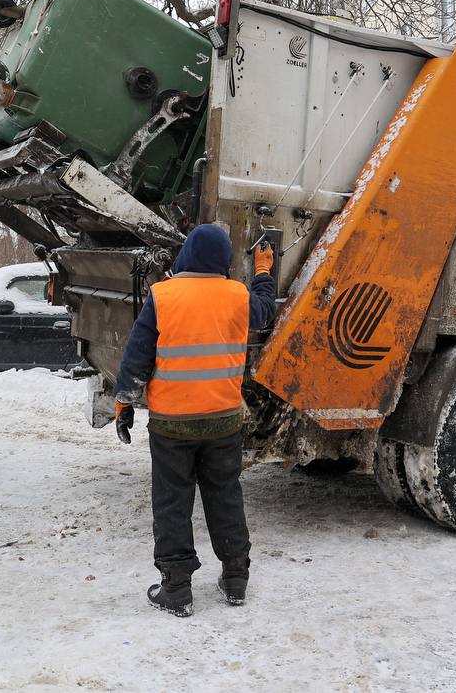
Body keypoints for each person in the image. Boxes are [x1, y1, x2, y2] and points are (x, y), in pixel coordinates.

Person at [113, 223, 276, 617]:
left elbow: (137, 355)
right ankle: (235, 578)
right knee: (225, 496)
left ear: (186, 253)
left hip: (172, 425)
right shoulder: (238, 296)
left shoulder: (163, 296)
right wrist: (264, 272)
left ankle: (177, 588)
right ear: (223, 260)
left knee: (172, 503)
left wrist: (125, 403)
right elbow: (266, 312)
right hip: (223, 421)